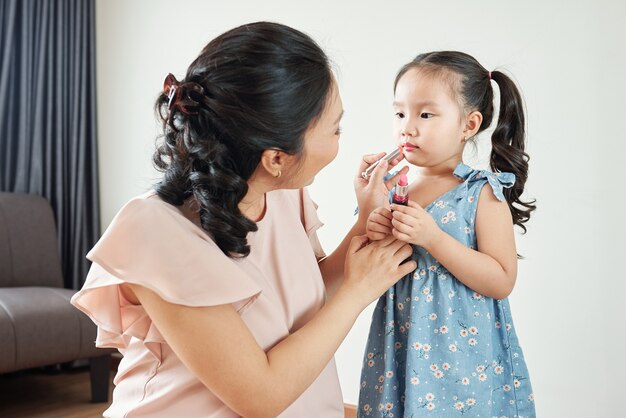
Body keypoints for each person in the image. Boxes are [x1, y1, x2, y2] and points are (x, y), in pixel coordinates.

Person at [71, 22, 416, 418]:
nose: (342, 139)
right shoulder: (155, 232)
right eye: (336, 129)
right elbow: (261, 396)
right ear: (275, 158)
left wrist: (364, 226)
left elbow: (297, 305)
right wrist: (358, 292)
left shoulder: (282, 191)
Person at [357, 51, 537, 417]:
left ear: (469, 125)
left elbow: (501, 280)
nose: (407, 127)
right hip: (401, 342)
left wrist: (434, 238)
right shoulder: (395, 187)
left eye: (425, 114)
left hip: (461, 354)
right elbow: (374, 262)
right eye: (400, 113)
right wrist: (374, 223)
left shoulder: (482, 192)